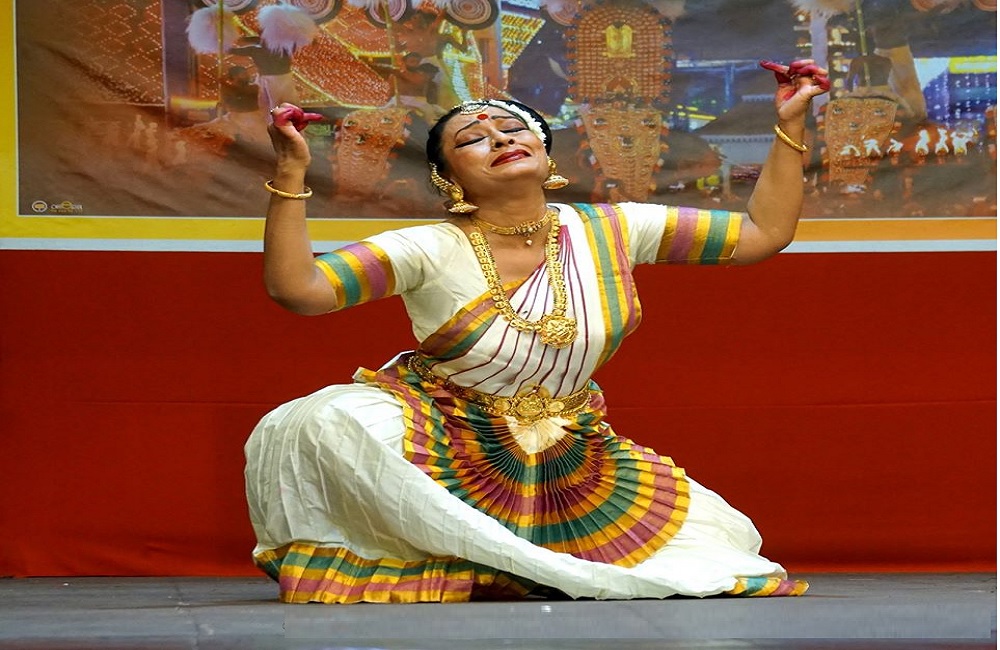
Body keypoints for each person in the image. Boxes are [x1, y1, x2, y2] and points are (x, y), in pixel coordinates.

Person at [246, 59, 830, 604]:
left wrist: (790, 124)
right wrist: (292, 172)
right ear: (449, 179)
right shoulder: (426, 247)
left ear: (546, 155)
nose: (499, 140)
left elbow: (762, 234)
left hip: (571, 449)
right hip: (445, 439)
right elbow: (300, 290)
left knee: (718, 549)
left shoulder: (615, 228)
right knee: (320, 421)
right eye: (472, 140)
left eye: (512, 129)